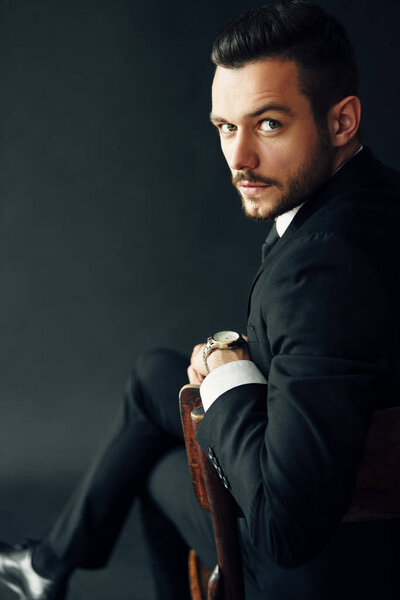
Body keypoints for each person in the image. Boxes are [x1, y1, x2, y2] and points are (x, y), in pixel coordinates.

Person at [1, 1, 399, 598]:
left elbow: (285, 527)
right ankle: (49, 565)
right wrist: (234, 365)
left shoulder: (320, 269)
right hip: (351, 496)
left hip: (322, 570)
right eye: (225, 127)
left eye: (268, 124)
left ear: (341, 122)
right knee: (155, 377)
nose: (239, 159)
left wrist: (228, 378)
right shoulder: (377, 200)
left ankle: (52, 566)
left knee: (164, 465)